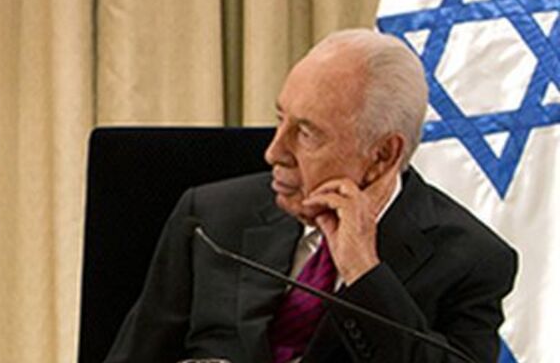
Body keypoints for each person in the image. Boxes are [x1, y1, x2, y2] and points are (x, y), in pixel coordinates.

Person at [104, 29, 517, 363]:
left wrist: (364, 272)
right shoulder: (211, 220)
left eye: (306, 133)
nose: (273, 152)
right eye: (280, 119)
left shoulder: (471, 260)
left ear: (382, 154)